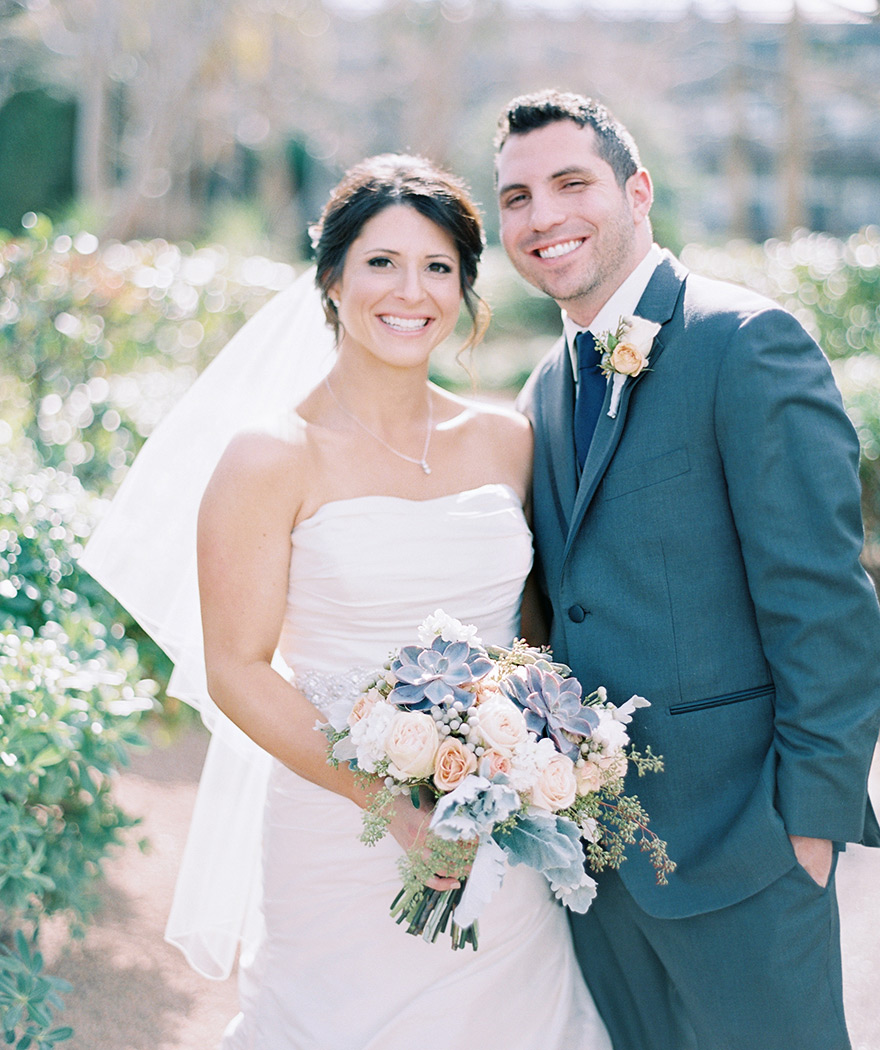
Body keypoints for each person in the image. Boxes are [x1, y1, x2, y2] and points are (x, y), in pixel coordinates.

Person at [83, 153, 612, 1050]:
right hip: (336, 836)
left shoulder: (507, 439)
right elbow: (237, 668)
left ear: (464, 289)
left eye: (438, 266)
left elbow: (532, 631)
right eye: (381, 262)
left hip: (494, 828)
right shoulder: (270, 455)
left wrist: (524, 758)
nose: (411, 291)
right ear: (331, 278)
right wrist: (389, 805)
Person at [494, 89, 880, 1050]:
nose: (542, 216)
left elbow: (825, 605)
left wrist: (808, 832)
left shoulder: (744, 341)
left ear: (638, 192)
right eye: (517, 197)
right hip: (599, 869)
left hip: (744, 853)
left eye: (571, 183)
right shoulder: (542, 389)